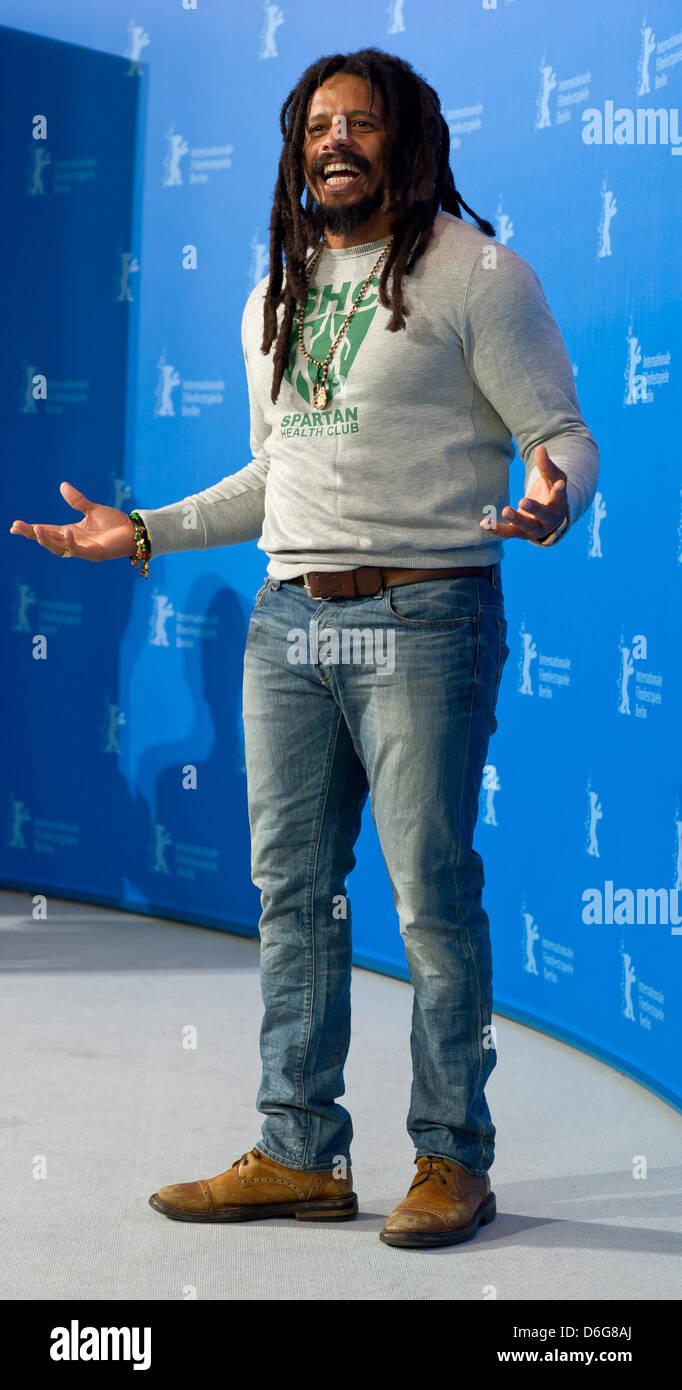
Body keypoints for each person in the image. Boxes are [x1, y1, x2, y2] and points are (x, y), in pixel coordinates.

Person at [10, 48, 598, 1249]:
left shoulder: (478, 274)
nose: (334, 141)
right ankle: (298, 1151)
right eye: (316, 124)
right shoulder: (273, 292)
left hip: (426, 615)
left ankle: (452, 1159)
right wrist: (148, 533)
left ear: (409, 139)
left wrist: (555, 495)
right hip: (288, 624)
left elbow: (561, 436)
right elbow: (279, 476)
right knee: (293, 896)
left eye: (360, 123)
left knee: (431, 898)